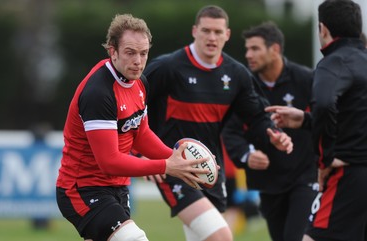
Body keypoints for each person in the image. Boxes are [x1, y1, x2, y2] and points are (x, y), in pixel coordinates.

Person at [55, 14, 212, 241]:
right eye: (130, 52)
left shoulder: (139, 82)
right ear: (113, 51)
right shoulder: (99, 92)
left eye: (143, 53)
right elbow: (109, 161)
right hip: (83, 189)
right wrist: (167, 165)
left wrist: (182, 160)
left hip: (117, 189)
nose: (138, 61)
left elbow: (141, 134)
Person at [143, 5, 293, 241]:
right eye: (206, 30)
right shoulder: (167, 68)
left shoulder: (237, 74)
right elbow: (132, 106)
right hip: (174, 169)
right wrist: (143, 153)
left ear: (227, 35)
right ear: (195, 31)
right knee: (221, 236)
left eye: (217, 31)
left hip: (212, 171)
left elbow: (256, 116)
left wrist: (273, 133)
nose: (212, 37)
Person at [266, 0, 367, 240]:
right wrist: (305, 119)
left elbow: (324, 104)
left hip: (349, 175)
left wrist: (325, 161)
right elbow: (354, 114)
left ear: (322, 28)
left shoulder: (333, 62)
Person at [222, 21, 318, 241]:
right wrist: (247, 154)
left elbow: (324, 122)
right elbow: (231, 132)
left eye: (255, 48)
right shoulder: (244, 85)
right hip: (267, 183)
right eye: (247, 49)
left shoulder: (307, 79)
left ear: (274, 49)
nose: (248, 54)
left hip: (305, 179)